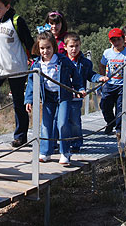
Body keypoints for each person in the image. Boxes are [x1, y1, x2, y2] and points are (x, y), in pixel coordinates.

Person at [25, 31, 84, 165]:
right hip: (48, 97)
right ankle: (46, 152)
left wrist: (79, 88)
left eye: (48, 48)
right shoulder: (37, 64)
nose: (45, 51)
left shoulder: (62, 61)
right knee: (46, 125)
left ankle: (65, 152)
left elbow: (76, 74)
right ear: (38, 48)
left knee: (62, 123)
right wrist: (29, 100)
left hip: (63, 96)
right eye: (42, 48)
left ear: (54, 47)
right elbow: (31, 82)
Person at [0, 0, 34, 147]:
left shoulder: (16, 21)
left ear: (7, 7)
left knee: (18, 103)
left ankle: (20, 136)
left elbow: (29, 42)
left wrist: (34, 59)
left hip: (16, 68)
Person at [64, 32, 108, 153]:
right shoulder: (60, 61)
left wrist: (99, 77)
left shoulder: (84, 63)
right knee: (61, 120)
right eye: (71, 46)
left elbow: (90, 75)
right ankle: (60, 142)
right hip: (62, 96)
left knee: (75, 121)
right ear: (65, 47)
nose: (74, 49)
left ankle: (76, 143)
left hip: (77, 96)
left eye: (77, 46)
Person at [98, 28, 126, 137]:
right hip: (110, 84)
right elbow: (101, 65)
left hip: (123, 85)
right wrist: (103, 77)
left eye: (119, 40)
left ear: (123, 39)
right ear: (110, 41)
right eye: (113, 40)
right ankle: (110, 123)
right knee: (104, 105)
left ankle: (119, 129)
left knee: (121, 108)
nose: (116, 43)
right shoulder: (107, 53)